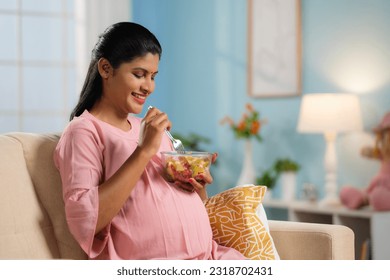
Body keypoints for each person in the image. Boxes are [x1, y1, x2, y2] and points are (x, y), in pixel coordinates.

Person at [54, 22, 246, 260]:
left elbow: (172, 200)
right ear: (105, 68)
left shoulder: (147, 127)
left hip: (212, 256)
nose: (149, 87)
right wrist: (144, 150)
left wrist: (197, 188)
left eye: (153, 76)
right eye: (139, 74)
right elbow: (86, 221)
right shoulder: (83, 132)